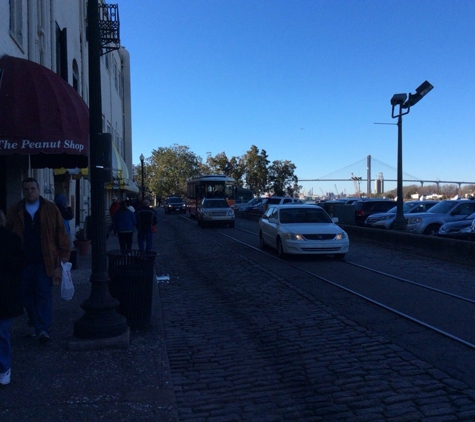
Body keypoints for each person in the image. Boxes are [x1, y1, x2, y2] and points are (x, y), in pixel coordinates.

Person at [6, 177, 70, 343]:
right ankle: (35, 323)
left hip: (44, 260)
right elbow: (8, 234)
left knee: (43, 294)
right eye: (26, 189)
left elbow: (61, 233)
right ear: (23, 190)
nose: (29, 192)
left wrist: (63, 258)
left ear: (38, 189)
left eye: (32, 188)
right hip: (22, 262)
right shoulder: (15, 210)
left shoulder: (50, 208)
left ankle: (42, 329)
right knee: (25, 295)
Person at [0, 210, 25, 386]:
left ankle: (3, 367)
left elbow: (17, 265)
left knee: (1, 332)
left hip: (4, 291)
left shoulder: (10, 238)